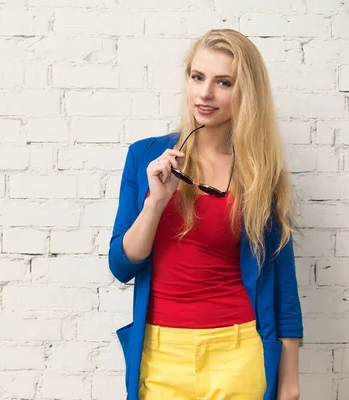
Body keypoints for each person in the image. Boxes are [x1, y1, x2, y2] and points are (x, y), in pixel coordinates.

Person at [108, 29, 303, 400]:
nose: (205, 93)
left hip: (239, 351)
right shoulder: (144, 157)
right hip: (160, 354)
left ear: (246, 91)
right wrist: (155, 202)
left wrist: (289, 381)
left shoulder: (260, 172)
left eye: (223, 82)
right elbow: (121, 265)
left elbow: (282, 281)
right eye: (197, 77)